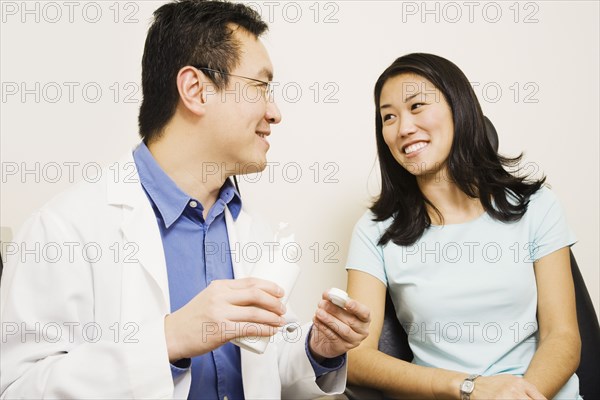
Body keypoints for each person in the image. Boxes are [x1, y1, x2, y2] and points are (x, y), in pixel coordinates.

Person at [0, 1, 370, 398]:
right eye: (261, 86)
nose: (275, 112)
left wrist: (319, 350)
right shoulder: (62, 230)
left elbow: (264, 368)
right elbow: (19, 389)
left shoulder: (252, 229)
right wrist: (169, 340)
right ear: (196, 90)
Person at [345, 53, 580, 400]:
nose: (403, 128)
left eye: (417, 106)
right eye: (388, 117)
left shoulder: (537, 206)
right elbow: (355, 356)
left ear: (460, 108)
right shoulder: (375, 231)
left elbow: (562, 336)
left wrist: (523, 395)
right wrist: (467, 387)